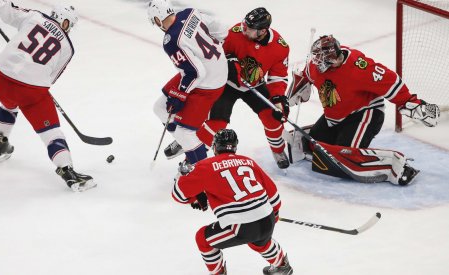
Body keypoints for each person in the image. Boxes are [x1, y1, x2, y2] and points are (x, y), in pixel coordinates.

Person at [0, 0, 96, 192]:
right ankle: (67, 170)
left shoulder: (34, 17)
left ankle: (1, 142)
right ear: (65, 23)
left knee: (9, 104)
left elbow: (7, 10)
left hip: (1, 82)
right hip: (30, 91)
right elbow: (51, 77)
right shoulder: (68, 48)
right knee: (51, 132)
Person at [286, 34, 441, 185]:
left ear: (332, 59)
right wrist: (295, 90)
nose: (316, 62)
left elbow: (390, 81)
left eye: (320, 59)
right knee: (313, 145)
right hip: (336, 115)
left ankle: (395, 166)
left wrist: (411, 103)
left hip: (365, 113)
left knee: (344, 157)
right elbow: (306, 75)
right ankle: (334, 141)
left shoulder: (359, 67)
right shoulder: (316, 65)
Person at [165, 7, 291, 170]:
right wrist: (229, 61)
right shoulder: (236, 33)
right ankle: (192, 154)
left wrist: (278, 99)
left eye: (249, 29)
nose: (244, 29)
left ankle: (278, 150)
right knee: (217, 124)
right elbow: (214, 52)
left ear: (263, 31)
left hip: (255, 85)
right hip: (227, 83)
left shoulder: (280, 47)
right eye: (245, 25)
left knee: (273, 118)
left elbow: (278, 77)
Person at [172, 129, 293, 275]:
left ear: (215, 147)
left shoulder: (205, 166)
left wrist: (183, 175)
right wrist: (274, 214)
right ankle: (282, 266)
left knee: (203, 239)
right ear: (235, 147)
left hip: (243, 225)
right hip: (267, 218)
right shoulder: (248, 161)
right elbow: (273, 193)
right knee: (260, 240)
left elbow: (179, 195)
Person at [147, 0, 228, 170]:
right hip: (215, 67)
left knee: (186, 132)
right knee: (159, 107)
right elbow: (221, 28)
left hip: (209, 82)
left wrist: (180, 95)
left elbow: (196, 73)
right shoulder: (189, 12)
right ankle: (182, 140)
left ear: (157, 18)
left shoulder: (171, 41)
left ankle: (202, 169)